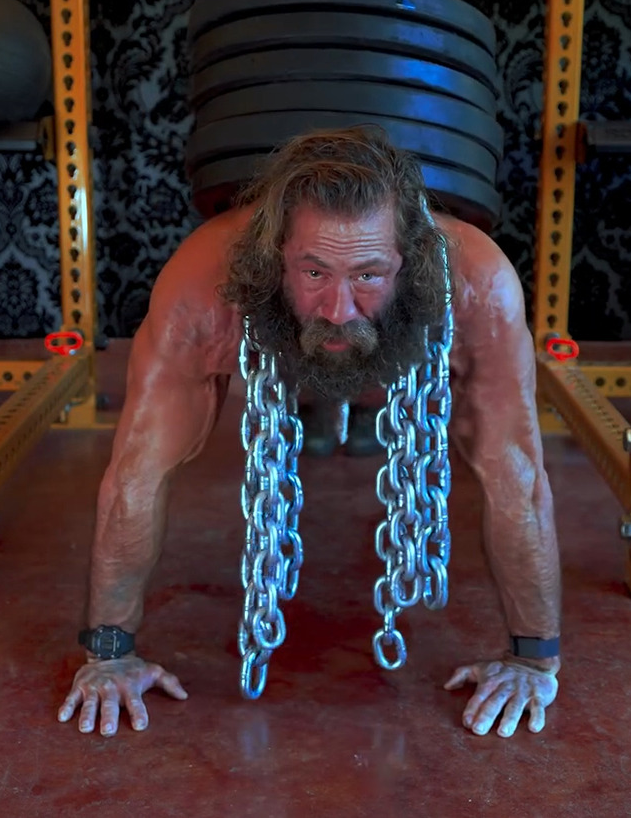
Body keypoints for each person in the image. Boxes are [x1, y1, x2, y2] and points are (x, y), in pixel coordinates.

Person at [57, 126, 561, 739]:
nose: (339, 308)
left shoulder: (479, 286)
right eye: (315, 271)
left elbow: (517, 476)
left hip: (406, 327)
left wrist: (534, 659)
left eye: (368, 275)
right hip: (264, 317)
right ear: (274, 257)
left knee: (353, 344)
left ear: (409, 263)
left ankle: (345, 403)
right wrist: (109, 654)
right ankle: (322, 402)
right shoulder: (201, 288)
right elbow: (137, 475)